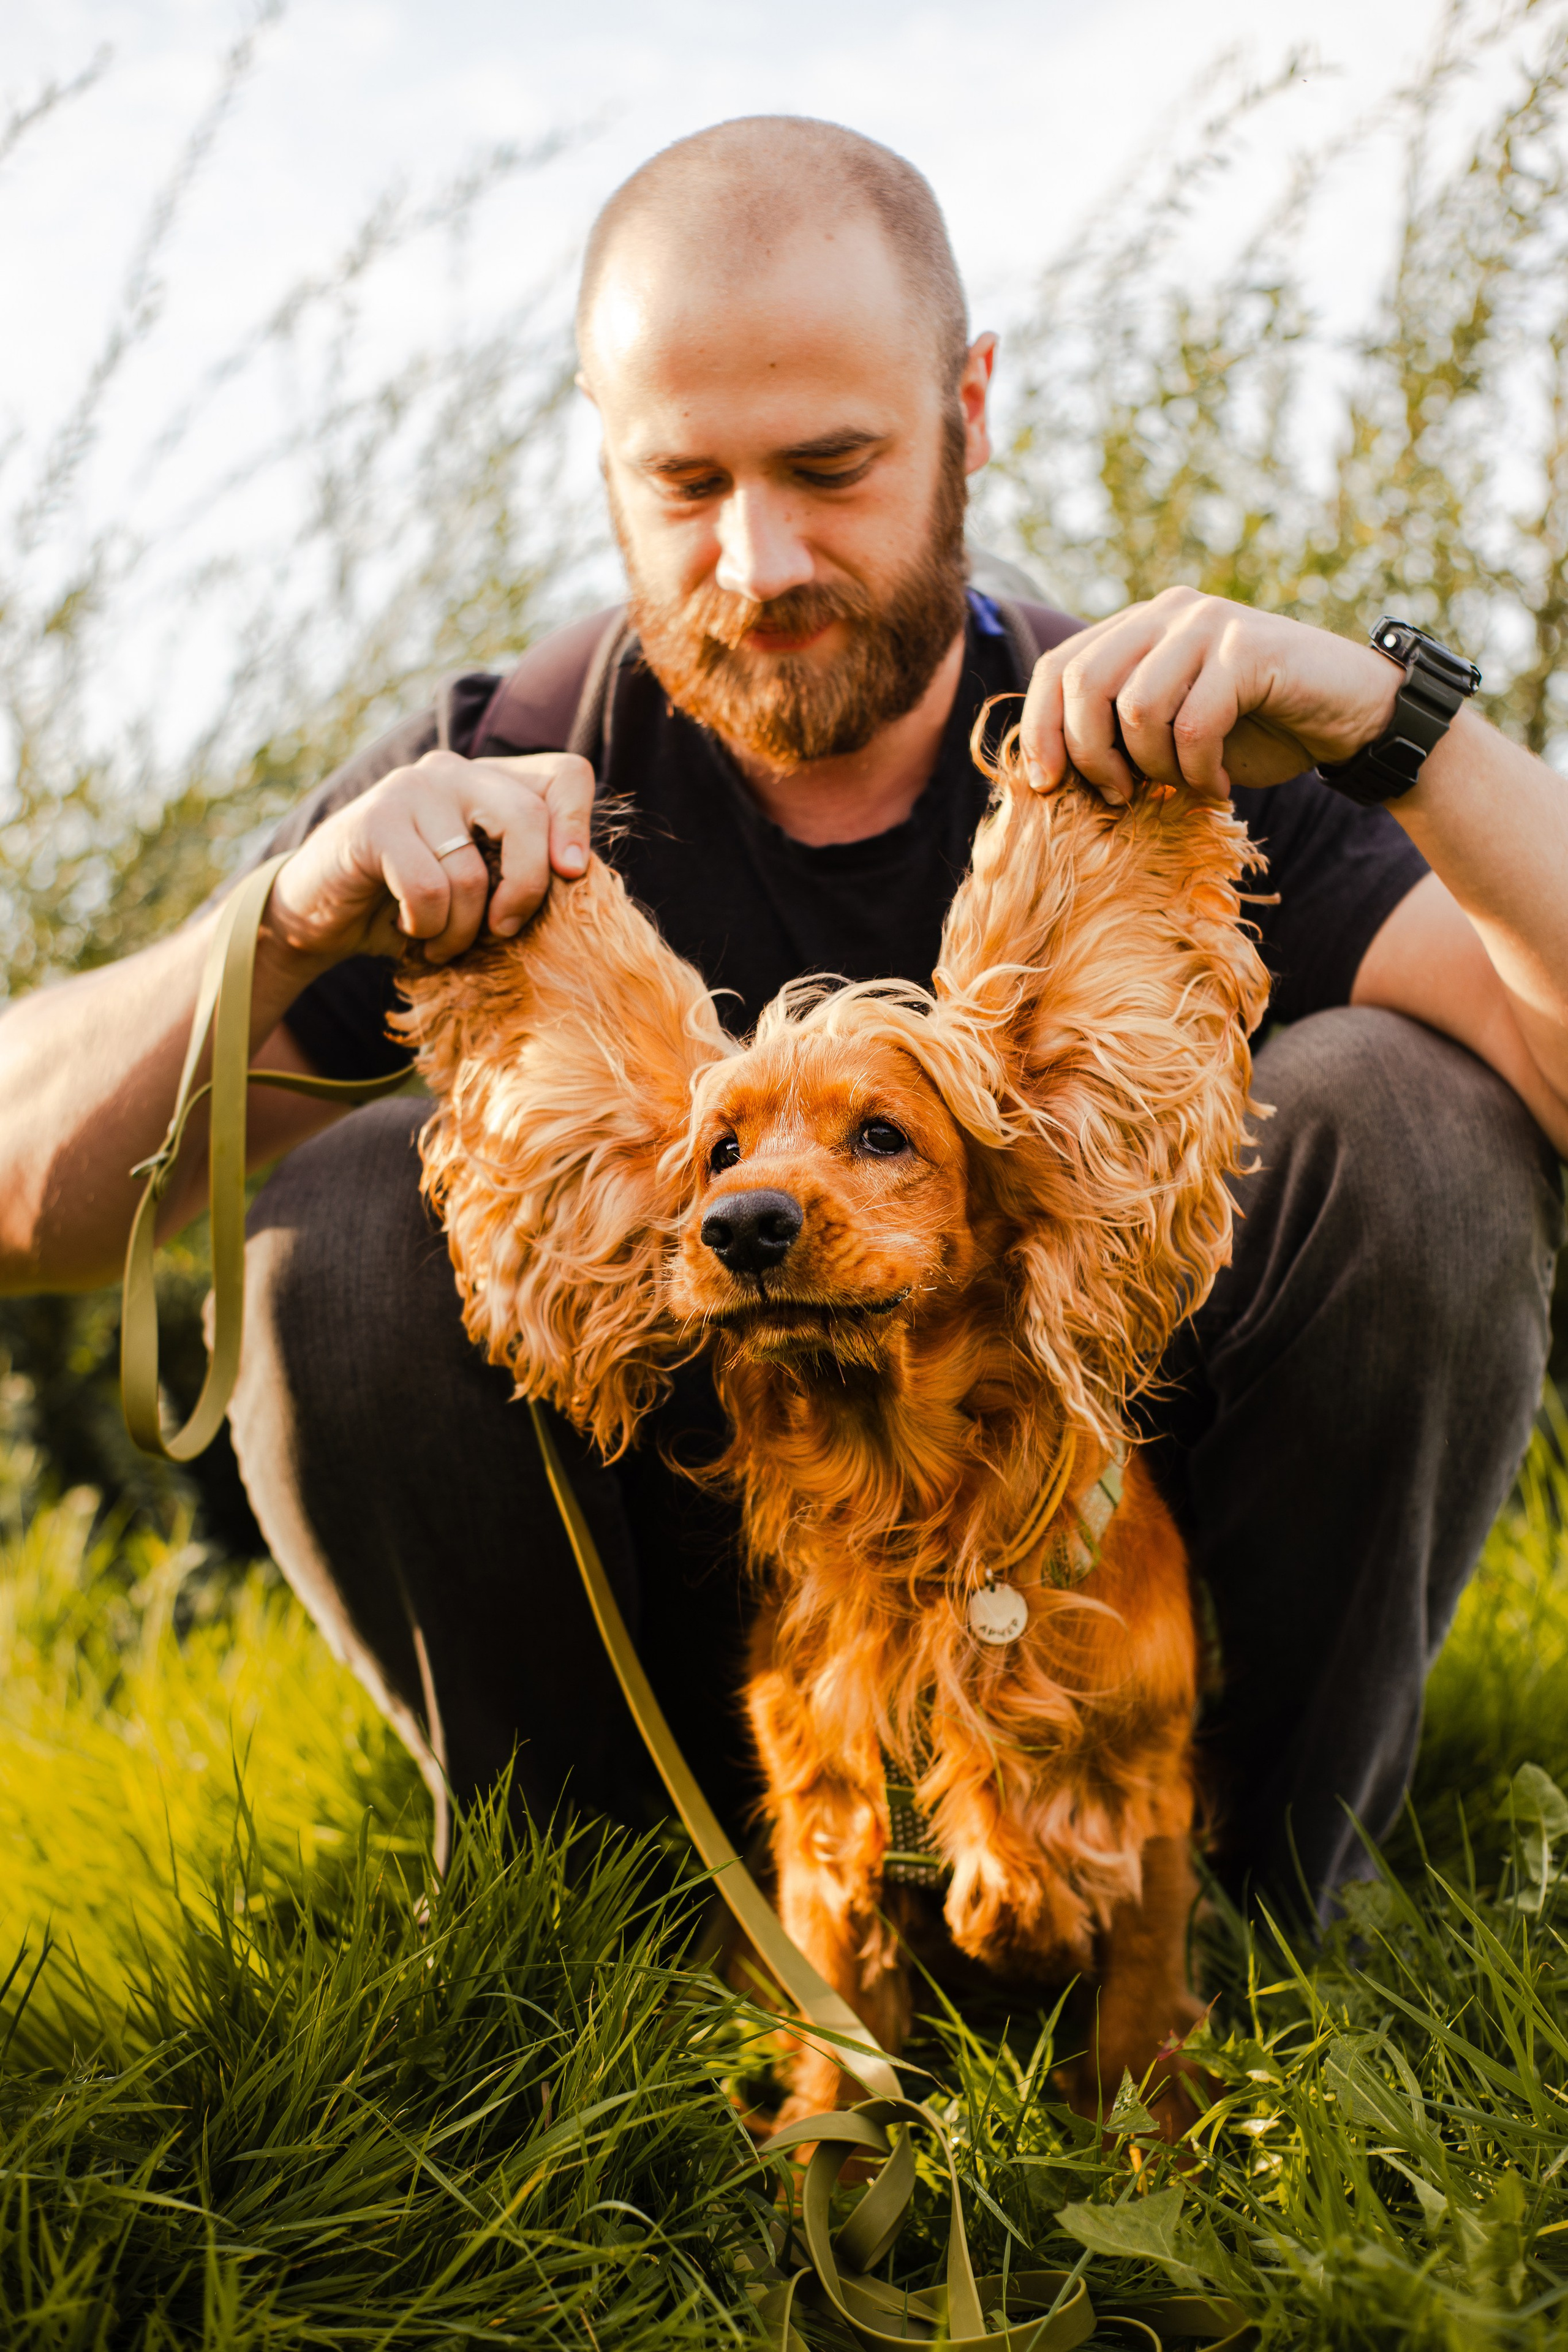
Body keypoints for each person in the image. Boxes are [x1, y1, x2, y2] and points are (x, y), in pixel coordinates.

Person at [1, 116, 1562, 1917]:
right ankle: (602, 1915)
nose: (757, 562)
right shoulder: (503, 767)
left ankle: (1265, 1902)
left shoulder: (1140, 745)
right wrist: (278, 929)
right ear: (605, 454)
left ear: (969, 405)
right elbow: (36, 1215)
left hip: (1103, 1596)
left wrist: (1401, 729)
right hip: (679, 1635)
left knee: (1425, 1118)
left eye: (832, 465)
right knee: (330, 1219)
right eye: (685, 484)